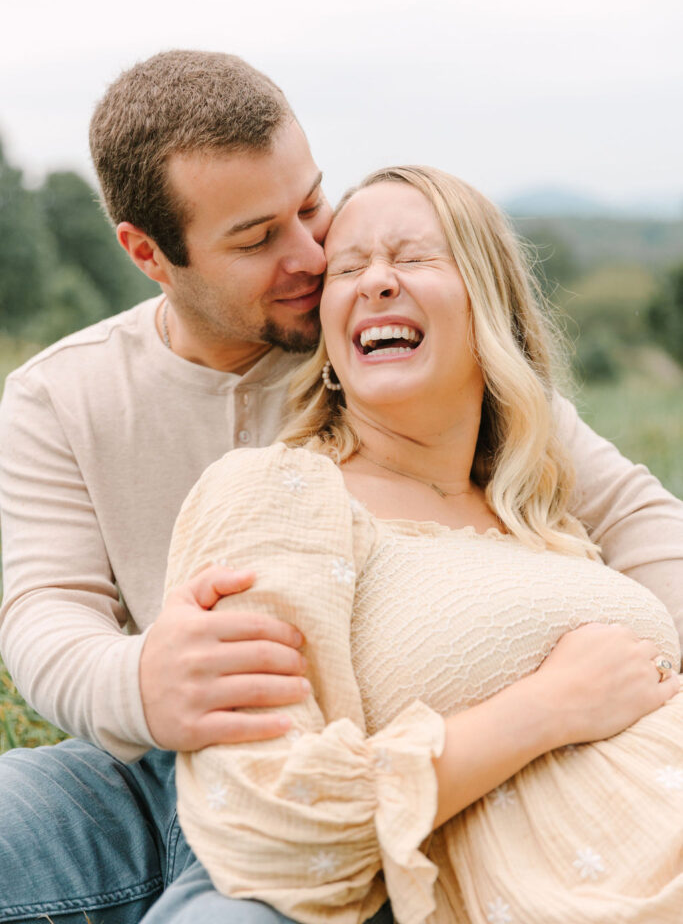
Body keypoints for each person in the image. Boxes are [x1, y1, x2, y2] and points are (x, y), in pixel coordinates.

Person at [0, 50, 681, 924]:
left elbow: (636, 517)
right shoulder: (65, 395)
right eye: (255, 238)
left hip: (377, 753)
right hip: (152, 760)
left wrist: (631, 683)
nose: (312, 254)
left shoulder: (393, 352)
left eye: (311, 205)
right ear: (149, 254)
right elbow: (44, 610)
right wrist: (144, 683)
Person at [164, 166, 683, 924]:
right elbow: (268, 819)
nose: (375, 282)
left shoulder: (542, 511)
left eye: (411, 258)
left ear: (490, 306)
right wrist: (548, 706)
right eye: (348, 267)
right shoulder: (281, 495)